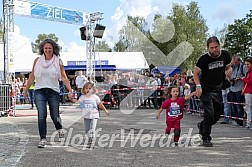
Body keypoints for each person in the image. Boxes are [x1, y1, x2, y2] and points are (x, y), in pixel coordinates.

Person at [23, 39, 73, 148]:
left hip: (53, 91)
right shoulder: (37, 61)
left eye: (50, 48)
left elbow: (64, 77)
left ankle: (60, 131)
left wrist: (70, 90)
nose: (48, 50)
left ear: (54, 49)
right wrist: (26, 90)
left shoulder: (58, 61)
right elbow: (32, 76)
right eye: (45, 48)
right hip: (39, 90)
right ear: (42, 49)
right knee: (42, 115)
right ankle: (43, 138)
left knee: (55, 116)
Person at [193, 36, 232, 147]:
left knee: (216, 116)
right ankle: (206, 138)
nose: (214, 49)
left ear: (219, 46)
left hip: (218, 90)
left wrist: (229, 71)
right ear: (208, 48)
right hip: (206, 90)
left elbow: (229, 66)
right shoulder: (203, 59)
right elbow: (195, 73)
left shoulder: (225, 55)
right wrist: (198, 86)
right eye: (211, 48)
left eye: (216, 47)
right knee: (209, 114)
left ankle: (202, 126)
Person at [71, 82, 110, 149]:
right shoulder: (83, 97)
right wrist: (71, 99)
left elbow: (100, 104)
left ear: (93, 89)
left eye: (90, 88)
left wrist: (105, 110)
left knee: (92, 129)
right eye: (86, 88)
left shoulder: (95, 97)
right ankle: (89, 139)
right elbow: (77, 102)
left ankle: (91, 142)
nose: (88, 90)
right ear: (84, 89)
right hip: (86, 116)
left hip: (94, 115)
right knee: (87, 130)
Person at [228, 55, 246, 126]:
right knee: (233, 105)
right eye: (233, 62)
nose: (234, 63)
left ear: (238, 61)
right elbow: (228, 75)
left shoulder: (243, 67)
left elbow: (246, 76)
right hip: (232, 88)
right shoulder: (232, 67)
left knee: (239, 105)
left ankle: (240, 121)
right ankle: (235, 119)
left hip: (239, 88)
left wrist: (239, 78)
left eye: (235, 62)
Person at [242, 56, 252, 129]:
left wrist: (243, 79)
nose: (246, 66)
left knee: (248, 108)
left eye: (248, 64)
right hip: (247, 91)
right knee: (248, 108)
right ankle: (248, 123)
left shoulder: (250, 73)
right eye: (245, 64)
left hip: (249, 91)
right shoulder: (248, 72)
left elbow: (249, 81)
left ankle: (249, 123)